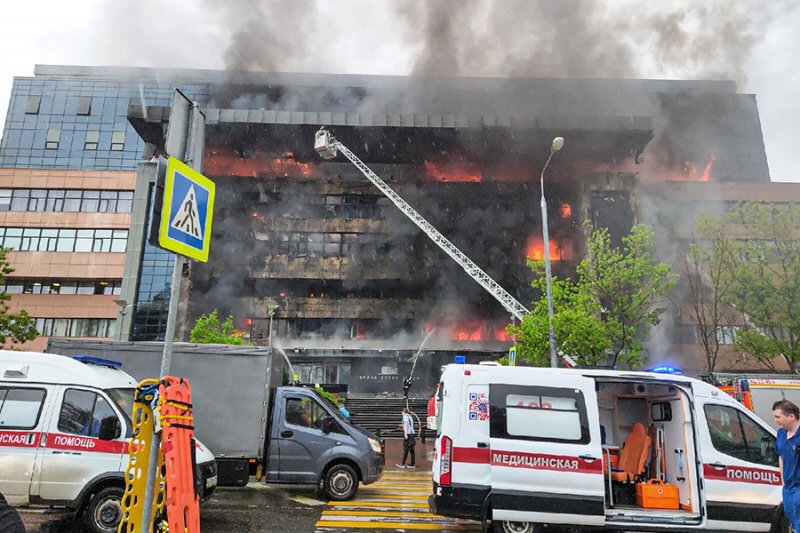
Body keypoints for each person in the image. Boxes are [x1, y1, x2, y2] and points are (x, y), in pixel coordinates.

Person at [774, 399, 800, 532]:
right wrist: (783, 480)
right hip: (788, 488)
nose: (776, 420)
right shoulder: (781, 434)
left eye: (778, 417)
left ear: (791, 416)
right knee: (793, 522)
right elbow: (781, 456)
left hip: (799, 487)